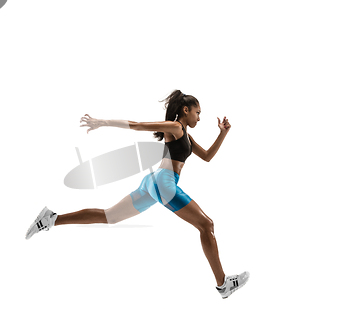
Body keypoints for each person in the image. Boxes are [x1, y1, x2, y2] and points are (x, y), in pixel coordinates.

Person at [25, 90, 249, 298]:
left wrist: (223, 133)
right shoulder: (175, 127)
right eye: (198, 112)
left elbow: (208, 156)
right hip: (164, 183)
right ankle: (223, 285)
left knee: (109, 215)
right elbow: (138, 125)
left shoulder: (187, 137)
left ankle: (51, 219)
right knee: (206, 225)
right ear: (186, 110)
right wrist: (102, 122)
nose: (199, 118)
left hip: (152, 183)